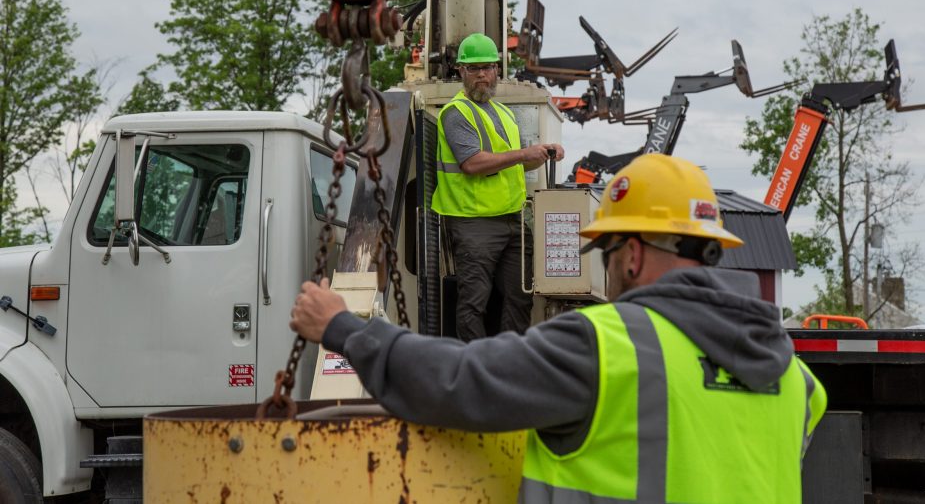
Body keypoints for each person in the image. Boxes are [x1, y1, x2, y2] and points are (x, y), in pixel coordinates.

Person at [291, 154, 827, 502]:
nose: (609, 271)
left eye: (608, 254)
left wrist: (342, 327)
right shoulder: (797, 383)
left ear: (632, 255)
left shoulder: (607, 347)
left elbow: (457, 380)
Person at [431, 32, 564, 340]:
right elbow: (473, 164)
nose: (482, 74)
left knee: (519, 297)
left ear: (497, 70)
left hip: (513, 220)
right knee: (474, 301)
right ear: (461, 71)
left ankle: (508, 363)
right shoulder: (455, 112)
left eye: (488, 67)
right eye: (474, 68)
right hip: (474, 222)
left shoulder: (504, 113)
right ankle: (475, 368)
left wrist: (543, 154)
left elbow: (517, 163)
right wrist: (522, 153)